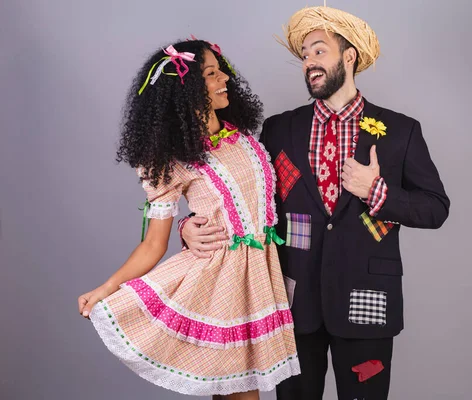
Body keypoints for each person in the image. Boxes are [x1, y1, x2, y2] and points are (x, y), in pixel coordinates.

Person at [180, 6, 450, 400]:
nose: (309, 62)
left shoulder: (400, 131)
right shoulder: (279, 128)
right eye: (304, 55)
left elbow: (435, 207)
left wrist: (376, 191)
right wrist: (191, 225)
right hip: (291, 303)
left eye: (319, 51)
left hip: (366, 301)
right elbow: (244, 195)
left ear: (349, 56)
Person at [77, 38, 299, 400]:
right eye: (212, 74)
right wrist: (106, 289)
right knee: (240, 395)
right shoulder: (170, 161)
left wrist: (191, 225)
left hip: (259, 278)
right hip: (222, 284)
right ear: (189, 91)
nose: (225, 77)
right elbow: (153, 243)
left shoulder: (240, 136)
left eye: (219, 69)